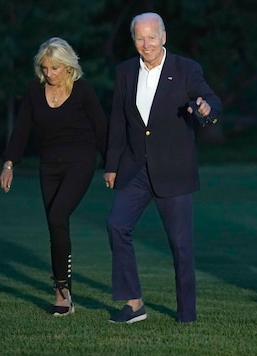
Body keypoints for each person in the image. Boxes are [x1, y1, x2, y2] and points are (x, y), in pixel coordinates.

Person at [104, 12, 221, 324]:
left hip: (173, 169)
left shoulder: (185, 69)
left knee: (180, 246)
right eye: (140, 38)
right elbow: (118, 119)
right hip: (134, 168)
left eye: (151, 37)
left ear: (163, 37)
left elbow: (208, 98)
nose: (146, 44)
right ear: (134, 40)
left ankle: (186, 314)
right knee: (117, 225)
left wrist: (205, 110)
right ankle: (133, 303)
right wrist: (111, 165)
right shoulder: (125, 71)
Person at [0, 37, 107, 316]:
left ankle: (61, 291)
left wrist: (111, 165)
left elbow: (101, 128)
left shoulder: (83, 91)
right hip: (49, 165)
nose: (49, 74)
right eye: (45, 68)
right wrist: (9, 163)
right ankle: (65, 290)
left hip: (80, 162)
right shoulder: (35, 92)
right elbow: (22, 129)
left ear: (68, 67)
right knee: (55, 225)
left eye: (55, 68)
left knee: (58, 217)